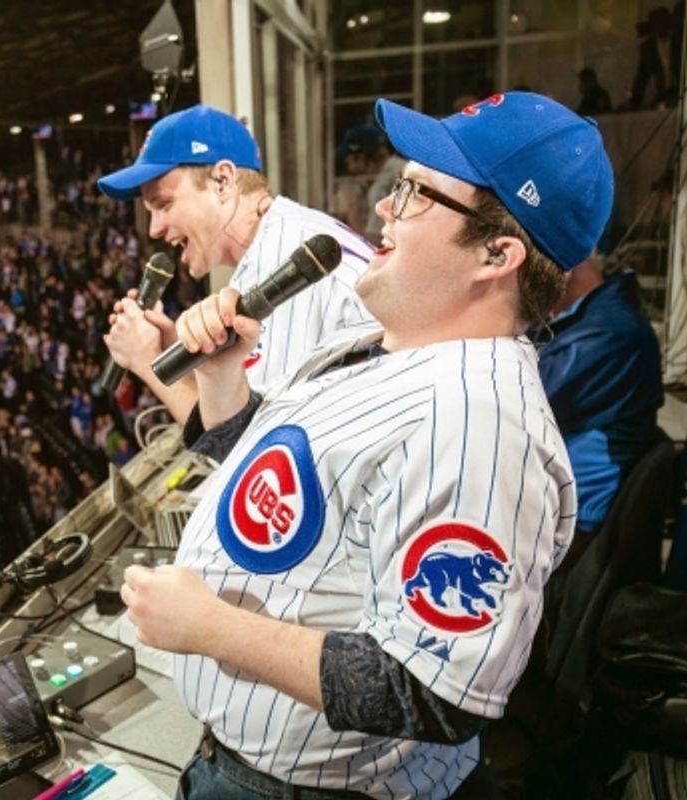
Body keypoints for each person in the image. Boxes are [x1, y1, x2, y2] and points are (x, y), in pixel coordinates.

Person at [121, 91, 613, 798]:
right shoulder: (391, 344)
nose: (384, 206)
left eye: (416, 194)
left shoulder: (475, 426)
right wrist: (224, 377)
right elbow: (280, 473)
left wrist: (209, 628)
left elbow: (431, 693)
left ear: (496, 254)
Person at [98, 104, 374, 423]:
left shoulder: (287, 267)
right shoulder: (282, 238)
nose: (154, 229)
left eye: (164, 205)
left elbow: (250, 441)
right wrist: (177, 349)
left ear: (223, 181)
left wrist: (146, 360)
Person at [539, 252, 663, 543]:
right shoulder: (587, 321)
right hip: (558, 504)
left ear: (563, 268)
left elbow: (522, 405)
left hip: (576, 521)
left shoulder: (608, 334)